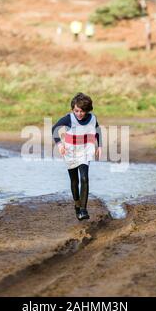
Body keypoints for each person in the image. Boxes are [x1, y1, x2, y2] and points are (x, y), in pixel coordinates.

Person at [52, 93, 102, 221]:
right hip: (70, 152)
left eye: (82, 111)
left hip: (85, 151)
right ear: (73, 109)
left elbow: (98, 131)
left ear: (87, 110)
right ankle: (77, 204)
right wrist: (59, 145)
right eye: (76, 111)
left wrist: (100, 146)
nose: (79, 114)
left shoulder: (92, 118)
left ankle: (83, 210)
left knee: (84, 178)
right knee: (75, 181)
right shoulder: (69, 118)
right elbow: (54, 129)